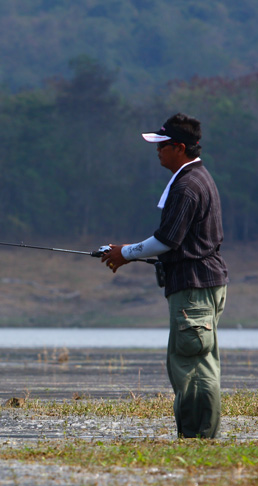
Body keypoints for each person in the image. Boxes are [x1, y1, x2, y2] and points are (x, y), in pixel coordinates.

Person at [101, 113, 228, 438]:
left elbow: (167, 241)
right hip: (201, 284)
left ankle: (198, 439)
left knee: (193, 366)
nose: (157, 151)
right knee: (196, 359)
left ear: (180, 148)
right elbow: (181, 244)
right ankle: (198, 435)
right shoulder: (199, 178)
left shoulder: (187, 186)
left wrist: (124, 253)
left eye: (162, 145)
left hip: (193, 288)